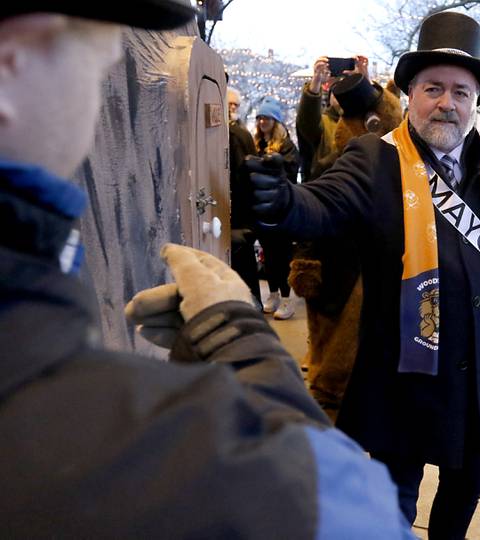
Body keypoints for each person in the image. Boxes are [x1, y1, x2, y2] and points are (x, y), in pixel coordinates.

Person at [0, 2, 416, 537]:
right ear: (14, 60)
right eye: (98, 60)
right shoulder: (151, 443)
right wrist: (249, 351)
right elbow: (361, 517)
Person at [247, 11, 480, 538]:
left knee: (463, 493)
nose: (446, 103)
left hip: (477, 376)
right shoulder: (373, 158)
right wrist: (281, 203)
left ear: (475, 104)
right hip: (402, 374)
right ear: (410, 93)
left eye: (461, 91)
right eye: (433, 87)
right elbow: (322, 204)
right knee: (391, 509)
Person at [290, 70, 403, 420]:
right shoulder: (332, 152)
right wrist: (306, 260)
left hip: (371, 267)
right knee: (332, 358)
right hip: (338, 265)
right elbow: (317, 201)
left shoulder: (399, 157)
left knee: (354, 355)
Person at [253, 99, 299, 319]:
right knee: (267, 255)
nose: (262, 122)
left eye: (267, 118)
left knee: (282, 256)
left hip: (281, 210)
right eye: (260, 118)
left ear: (276, 121)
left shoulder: (287, 146)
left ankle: (288, 298)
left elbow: (289, 176)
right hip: (262, 209)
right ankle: (272, 294)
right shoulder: (257, 144)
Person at [227, 86, 262, 308]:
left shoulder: (234, 134)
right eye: (230, 104)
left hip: (238, 211)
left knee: (240, 263)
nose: (233, 108)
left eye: (235, 105)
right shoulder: (242, 133)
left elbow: (241, 176)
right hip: (246, 211)